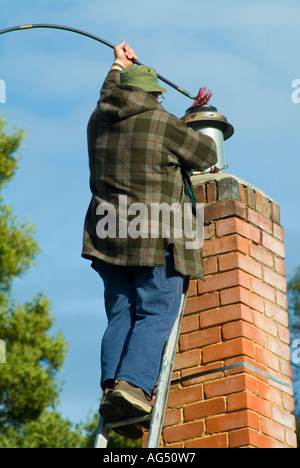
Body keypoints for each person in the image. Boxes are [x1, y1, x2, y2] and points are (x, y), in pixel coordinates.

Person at [82, 40, 217, 439]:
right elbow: (205, 150)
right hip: (154, 231)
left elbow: (109, 94)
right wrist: (192, 117)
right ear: (152, 95)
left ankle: (113, 387)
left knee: (121, 311)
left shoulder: (98, 118)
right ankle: (134, 388)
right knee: (156, 310)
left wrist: (116, 66)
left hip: (109, 234)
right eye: (157, 95)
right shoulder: (160, 121)